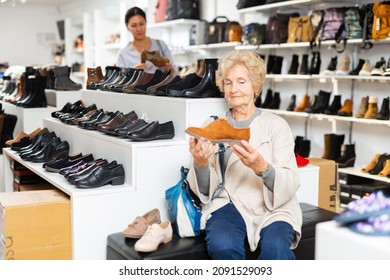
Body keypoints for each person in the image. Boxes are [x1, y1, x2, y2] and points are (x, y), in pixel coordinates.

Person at [186, 50, 302, 260]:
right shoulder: (213, 127)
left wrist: (263, 169)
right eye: (228, 82)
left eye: (241, 81)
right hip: (230, 203)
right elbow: (204, 190)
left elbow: (291, 180)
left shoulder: (276, 125)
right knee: (223, 245)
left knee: (276, 249)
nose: (234, 89)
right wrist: (200, 163)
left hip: (273, 207)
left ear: (255, 86)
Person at [117, 7, 176, 74]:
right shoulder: (123, 54)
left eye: (142, 24)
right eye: (134, 25)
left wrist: (169, 69)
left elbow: (175, 73)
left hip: (161, 84)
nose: (139, 29)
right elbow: (121, 81)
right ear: (127, 26)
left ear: (146, 22)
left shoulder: (160, 44)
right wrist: (132, 72)